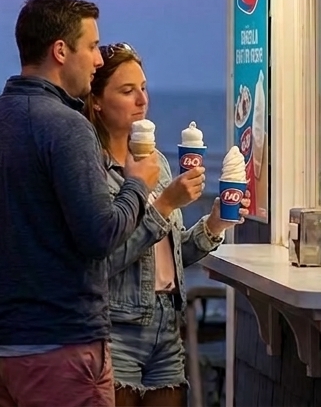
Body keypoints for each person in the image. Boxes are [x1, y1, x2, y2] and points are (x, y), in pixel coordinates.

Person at [0, 0, 162, 407]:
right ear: (61, 51)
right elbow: (100, 234)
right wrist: (137, 184)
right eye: (91, 47)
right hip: (60, 348)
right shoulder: (67, 127)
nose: (99, 60)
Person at [84, 43, 245, 406]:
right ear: (96, 101)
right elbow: (101, 262)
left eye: (143, 87)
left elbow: (164, 260)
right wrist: (166, 202)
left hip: (168, 324)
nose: (141, 99)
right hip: (116, 329)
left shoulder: (157, 161)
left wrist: (215, 224)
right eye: (127, 91)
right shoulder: (92, 169)